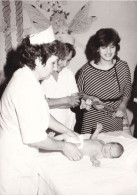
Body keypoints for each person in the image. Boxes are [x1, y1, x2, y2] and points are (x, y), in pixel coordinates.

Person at [0, 31, 82, 194]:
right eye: (53, 63)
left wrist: (65, 130)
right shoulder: (25, 88)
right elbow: (35, 138)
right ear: (38, 60)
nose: (54, 69)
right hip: (15, 164)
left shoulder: (27, 77)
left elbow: (42, 113)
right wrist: (63, 146)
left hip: (22, 158)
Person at [75, 28, 132, 135]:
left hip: (115, 116)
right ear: (97, 48)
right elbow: (78, 94)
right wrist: (91, 99)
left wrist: (123, 104)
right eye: (104, 47)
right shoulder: (86, 70)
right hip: (93, 119)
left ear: (116, 48)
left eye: (112, 47)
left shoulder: (123, 66)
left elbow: (127, 90)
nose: (108, 52)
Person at [41, 43, 80, 130]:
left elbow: (76, 102)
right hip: (45, 124)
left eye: (68, 60)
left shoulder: (68, 73)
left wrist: (50, 103)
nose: (65, 64)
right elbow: (39, 104)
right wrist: (66, 99)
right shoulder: (43, 74)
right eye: (62, 59)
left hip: (67, 124)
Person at [49, 123, 124, 167]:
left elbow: (92, 156)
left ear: (110, 158)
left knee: (65, 139)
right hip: (80, 140)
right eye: (110, 148)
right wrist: (97, 130)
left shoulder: (100, 154)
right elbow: (93, 138)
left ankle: (52, 140)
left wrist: (94, 161)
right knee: (67, 134)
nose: (107, 151)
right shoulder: (102, 142)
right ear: (109, 143)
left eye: (110, 154)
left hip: (79, 148)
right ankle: (53, 139)